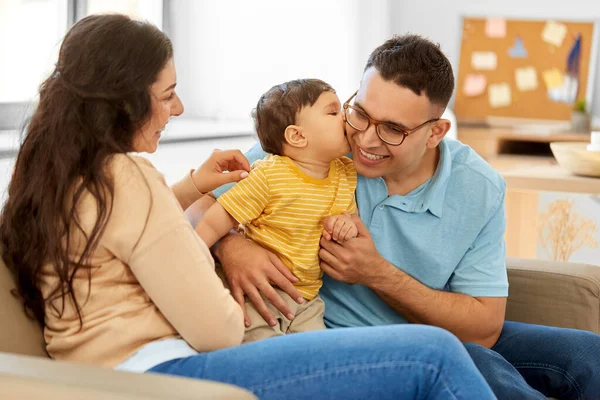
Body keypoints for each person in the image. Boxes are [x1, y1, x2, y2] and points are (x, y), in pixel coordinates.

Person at [0, 14, 498, 400]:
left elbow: (124, 232)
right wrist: (226, 253)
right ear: (125, 101)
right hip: (163, 374)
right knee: (433, 355)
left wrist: (196, 188)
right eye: (168, 94)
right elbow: (217, 329)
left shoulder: (58, 178)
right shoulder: (129, 179)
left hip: (113, 373)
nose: (177, 109)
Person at [207, 34, 600, 399]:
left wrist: (374, 271)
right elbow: (190, 214)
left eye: (393, 129)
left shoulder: (477, 186)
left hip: (436, 332)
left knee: (587, 353)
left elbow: (484, 327)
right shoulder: (313, 150)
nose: (365, 139)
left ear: (436, 132)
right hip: (349, 339)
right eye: (359, 113)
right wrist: (232, 246)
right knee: (477, 365)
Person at [196, 78, 358, 342]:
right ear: (297, 135)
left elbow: (350, 216)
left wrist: (346, 224)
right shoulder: (270, 175)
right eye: (334, 112)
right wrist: (196, 264)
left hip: (306, 298)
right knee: (257, 350)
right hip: (257, 291)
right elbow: (214, 222)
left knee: (318, 354)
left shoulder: (345, 172)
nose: (346, 118)